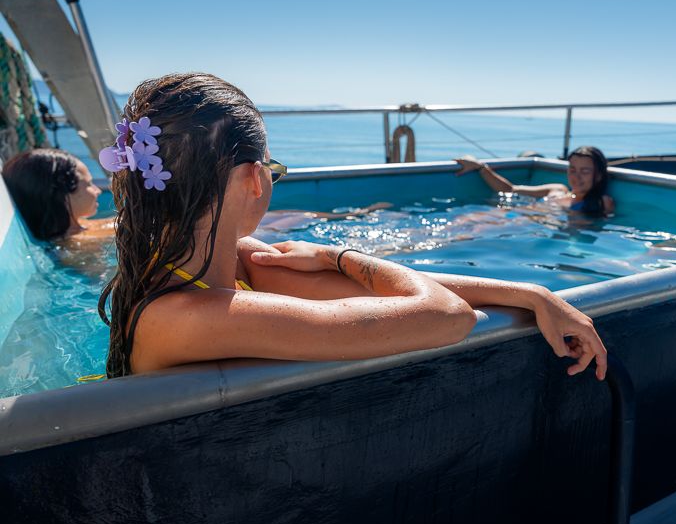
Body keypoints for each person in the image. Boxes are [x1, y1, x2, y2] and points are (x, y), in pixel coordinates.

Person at [99, 73, 606, 381]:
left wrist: (531, 294)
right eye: (274, 170)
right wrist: (335, 255)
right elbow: (448, 316)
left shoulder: (230, 256)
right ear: (254, 179)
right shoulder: (185, 317)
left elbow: (377, 295)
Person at [1, 148, 113, 250]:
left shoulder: (75, 225)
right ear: (63, 196)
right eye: (89, 184)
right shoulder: (80, 247)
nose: (98, 190)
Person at [455, 146, 615, 217]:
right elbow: (510, 190)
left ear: (599, 175)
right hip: (511, 216)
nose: (576, 176)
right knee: (466, 219)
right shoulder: (557, 189)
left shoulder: (602, 202)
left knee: (466, 235)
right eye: (572, 170)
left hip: (526, 225)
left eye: (585, 171)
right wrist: (480, 166)